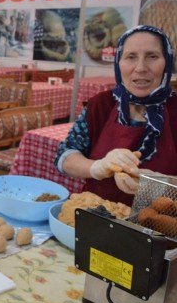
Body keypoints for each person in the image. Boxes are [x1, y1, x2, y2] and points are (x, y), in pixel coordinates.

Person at [55, 25, 177, 205]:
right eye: (131, 57)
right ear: (119, 62)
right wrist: (98, 167)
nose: (141, 67)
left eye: (152, 56)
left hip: (158, 225)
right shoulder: (101, 105)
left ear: (167, 61)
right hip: (95, 216)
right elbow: (64, 158)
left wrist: (164, 185)